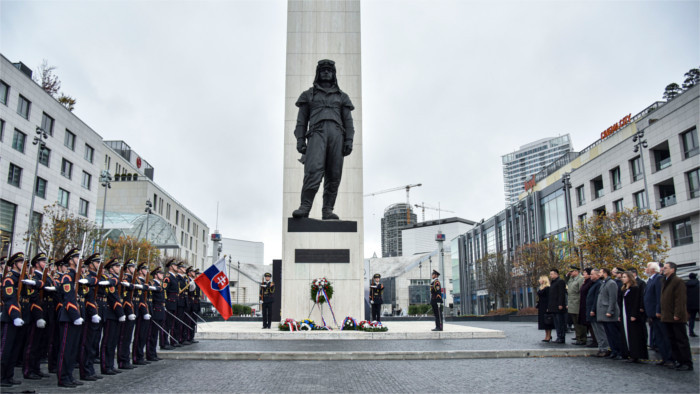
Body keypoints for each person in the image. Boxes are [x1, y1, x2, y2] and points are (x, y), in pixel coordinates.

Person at [292, 59, 356, 220]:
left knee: (334, 174)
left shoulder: (342, 97)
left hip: (337, 136)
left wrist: (349, 139)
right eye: (323, 70)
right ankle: (305, 207)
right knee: (313, 171)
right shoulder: (308, 95)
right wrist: (300, 140)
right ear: (318, 73)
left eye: (329, 70)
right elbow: (301, 121)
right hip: (316, 134)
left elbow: (348, 121)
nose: (326, 72)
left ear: (333, 74)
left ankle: (327, 210)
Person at [56, 248, 85, 388]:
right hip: (68, 317)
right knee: (65, 349)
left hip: (76, 316)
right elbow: (68, 299)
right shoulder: (67, 277)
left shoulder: (76, 276)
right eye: (77, 258)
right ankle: (63, 377)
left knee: (73, 349)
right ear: (71, 260)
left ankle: (70, 375)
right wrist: (75, 316)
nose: (80, 260)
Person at [661, 262, 693, 371]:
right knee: (673, 340)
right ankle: (679, 361)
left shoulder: (677, 281)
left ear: (673, 269)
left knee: (681, 340)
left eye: (666, 268)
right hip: (668, 316)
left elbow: (680, 299)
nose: (663, 269)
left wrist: (677, 314)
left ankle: (686, 362)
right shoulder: (665, 281)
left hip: (675, 317)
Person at [1, 252, 27, 387]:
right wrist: (16, 316)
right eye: (21, 262)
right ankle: (1, 376)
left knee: (15, 349)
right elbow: (10, 300)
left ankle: (9, 376)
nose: (23, 265)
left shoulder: (21, 278)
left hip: (20, 317)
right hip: (10, 318)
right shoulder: (9, 279)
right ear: (14, 264)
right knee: (5, 349)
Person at [644, 261, 673, 367]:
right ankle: (664, 358)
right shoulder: (651, 280)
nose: (645, 269)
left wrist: (658, 310)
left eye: (647, 267)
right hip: (651, 314)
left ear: (653, 269)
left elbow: (658, 297)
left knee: (664, 336)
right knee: (659, 338)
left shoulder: (658, 279)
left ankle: (669, 358)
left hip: (657, 314)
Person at [100, 258, 125, 376]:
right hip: (111, 313)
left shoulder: (116, 280)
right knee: (107, 341)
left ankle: (110, 365)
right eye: (116, 267)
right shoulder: (110, 280)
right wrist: (120, 313)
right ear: (110, 269)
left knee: (113, 341)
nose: (118, 268)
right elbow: (113, 298)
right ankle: (105, 366)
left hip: (115, 314)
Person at [621, 271, 648, 363]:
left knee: (635, 335)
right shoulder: (625, 289)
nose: (623, 278)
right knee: (628, 334)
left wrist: (633, 314)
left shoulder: (634, 288)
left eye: (624, 277)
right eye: (622, 277)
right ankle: (631, 353)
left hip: (632, 314)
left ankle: (636, 354)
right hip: (625, 313)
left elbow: (636, 302)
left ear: (629, 278)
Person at [597, 268, 623, 360]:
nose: (599, 273)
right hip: (603, 312)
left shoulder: (611, 283)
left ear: (605, 273)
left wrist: (610, 311)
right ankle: (613, 350)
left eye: (600, 272)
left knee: (614, 333)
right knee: (609, 334)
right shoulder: (604, 283)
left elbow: (613, 299)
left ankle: (619, 351)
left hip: (609, 312)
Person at [587, 269, 609, 357]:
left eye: (592, 274)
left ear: (597, 275)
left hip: (596, 311)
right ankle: (601, 348)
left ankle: (604, 348)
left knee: (600, 331)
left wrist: (593, 309)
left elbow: (596, 298)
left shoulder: (598, 284)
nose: (590, 276)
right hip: (591, 310)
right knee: (596, 331)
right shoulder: (594, 284)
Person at [146, 266, 166, 361]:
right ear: (156, 275)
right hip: (155, 309)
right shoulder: (152, 284)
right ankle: (150, 354)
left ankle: (153, 353)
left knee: (155, 334)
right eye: (160, 274)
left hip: (160, 309)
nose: (162, 275)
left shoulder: (160, 284)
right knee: (151, 334)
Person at [566, 266, 586, 345]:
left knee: (580, 323)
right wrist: (568, 277)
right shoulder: (572, 279)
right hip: (572, 303)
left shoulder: (580, 279)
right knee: (575, 323)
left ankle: (583, 339)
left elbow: (581, 291)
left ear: (576, 271)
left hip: (577, 303)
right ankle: (578, 338)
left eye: (571, 271)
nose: (570, 273)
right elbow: (568, 286)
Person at [547, 269, 567, 343]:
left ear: (556, 274)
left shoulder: (560, 282)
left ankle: (561, 337)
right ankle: (559, 336)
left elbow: (561, 294)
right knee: (556, 323)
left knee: (560, 322)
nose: (551, 275)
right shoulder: (553, 282)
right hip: (553, 306)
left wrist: (560, 304)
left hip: (558, 306)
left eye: (552, 274)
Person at [578, 268, 596, 348]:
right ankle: (593, 340)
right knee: (587, 324)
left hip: (588, 305)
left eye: (585, 272)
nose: (583, 274)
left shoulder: (590, 283)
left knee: (591, 324)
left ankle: (595, 340)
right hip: (584, 305)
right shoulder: (585, 282)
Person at [163, 259, 178, 348]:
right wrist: (164, 303)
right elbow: (164, 291)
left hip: (174, 302)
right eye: (175, 265)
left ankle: (168, 341)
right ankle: (164, 343)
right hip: (169, 302)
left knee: (170, 324)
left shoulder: (174, 277)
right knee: (166, 324)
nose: (176, 267)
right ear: (171, 267)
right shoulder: (168, 277)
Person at [536, 275, 554, 342]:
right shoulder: (541, 288)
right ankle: (546, 336)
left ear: (543, 280)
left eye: (540, 279)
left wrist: (549, 307)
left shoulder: (548, 288)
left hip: (546, 306)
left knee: (548, 322)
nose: (539, 280)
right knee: (544, 322)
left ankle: (549, 336)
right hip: (541, 306)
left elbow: (549, 298)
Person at [686, 273, 698, 337]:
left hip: (690, 305)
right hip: (698, 304)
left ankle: (691, 331)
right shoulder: (698, 284)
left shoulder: (686, 285)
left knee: (691, 319)